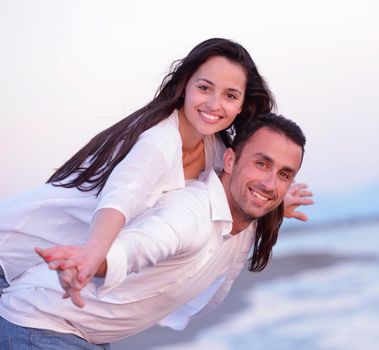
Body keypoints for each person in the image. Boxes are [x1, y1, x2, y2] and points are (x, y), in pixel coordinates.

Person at [0, 38, 313, 293]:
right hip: (12, 246)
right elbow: (122, 195)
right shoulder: (159, 140)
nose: (214, 105)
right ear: (186, 84)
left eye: (229, 95)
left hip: (46, 266)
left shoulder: (216, 149)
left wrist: (273, 201)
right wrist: (95, 251)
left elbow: (238, 186)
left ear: (242, 104)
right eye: (204, 88)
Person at [0, 113, 306, 349]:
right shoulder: (191, 213)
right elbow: (144, 243)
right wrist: (94, 261)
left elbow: (261, 192)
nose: (269, 183)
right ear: (229, 159)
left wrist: (277, 204)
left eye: (283, 174)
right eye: (261, 164)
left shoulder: (243, 219)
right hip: (41, 324)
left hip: (81, 331)